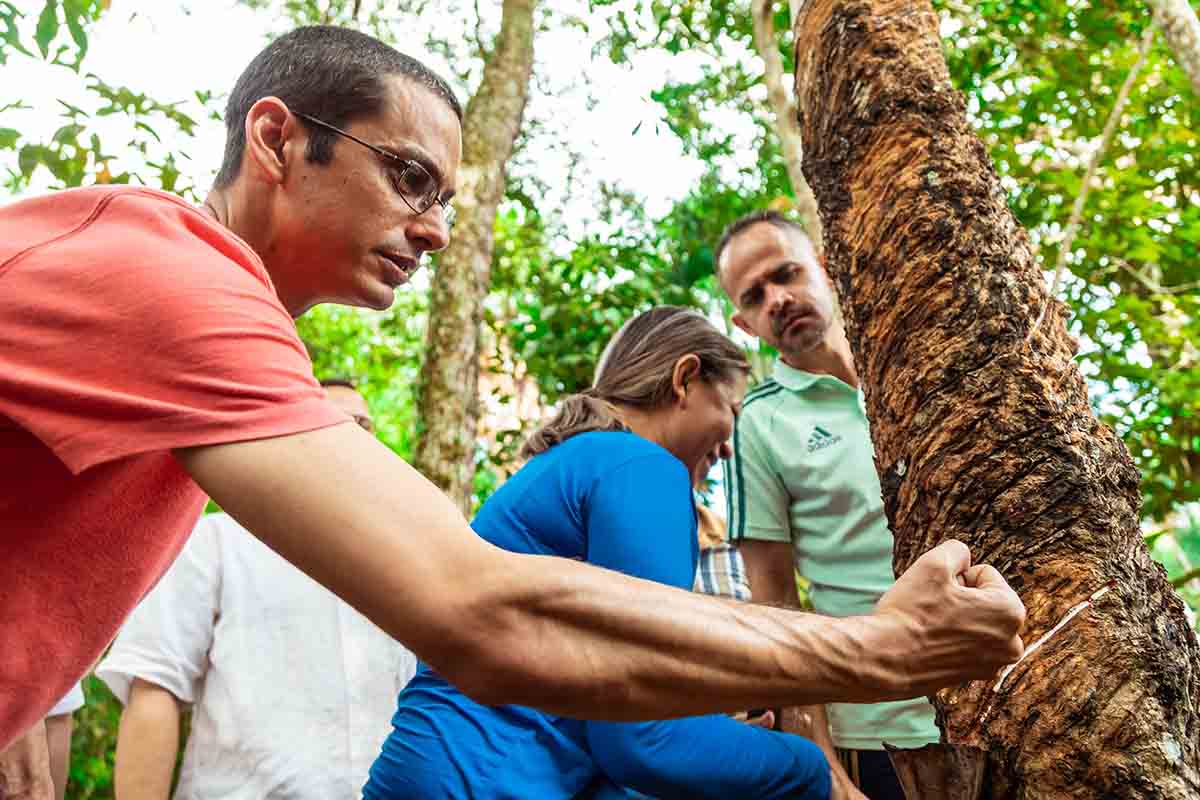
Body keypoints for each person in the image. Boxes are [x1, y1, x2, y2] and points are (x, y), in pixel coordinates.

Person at [0, 22, 1026, 755]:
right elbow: (481, 611)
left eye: (448, 200)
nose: (438, 230)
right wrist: (883, 647)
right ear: (276, 138)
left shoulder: (207, 327)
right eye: (409, 176)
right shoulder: (176, 278)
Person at [365, 307, 832, 800]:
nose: (730, 446)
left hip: (445, 770)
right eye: (732, 411)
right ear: (685, 379)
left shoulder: (579, 461)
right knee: (801, 770)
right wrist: (811, 769)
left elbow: (603, 699)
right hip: (481, 776)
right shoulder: (642, 467)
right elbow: (644, 740)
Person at [95, 380, 417, 800]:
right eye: (335, 423)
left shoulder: (407, 561)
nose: (353, 438)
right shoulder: (216, 542)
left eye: (363, 426)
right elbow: (155, 687)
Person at [715, 210, 941, 799]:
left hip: (1018, 694)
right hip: (880, 733)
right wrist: (826, 767)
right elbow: (778, 606)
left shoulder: (922, 366)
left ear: (823, 265)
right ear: (744, 321)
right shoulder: (758, 425)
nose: (778, 299)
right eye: (755, 296)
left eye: (786, 273)